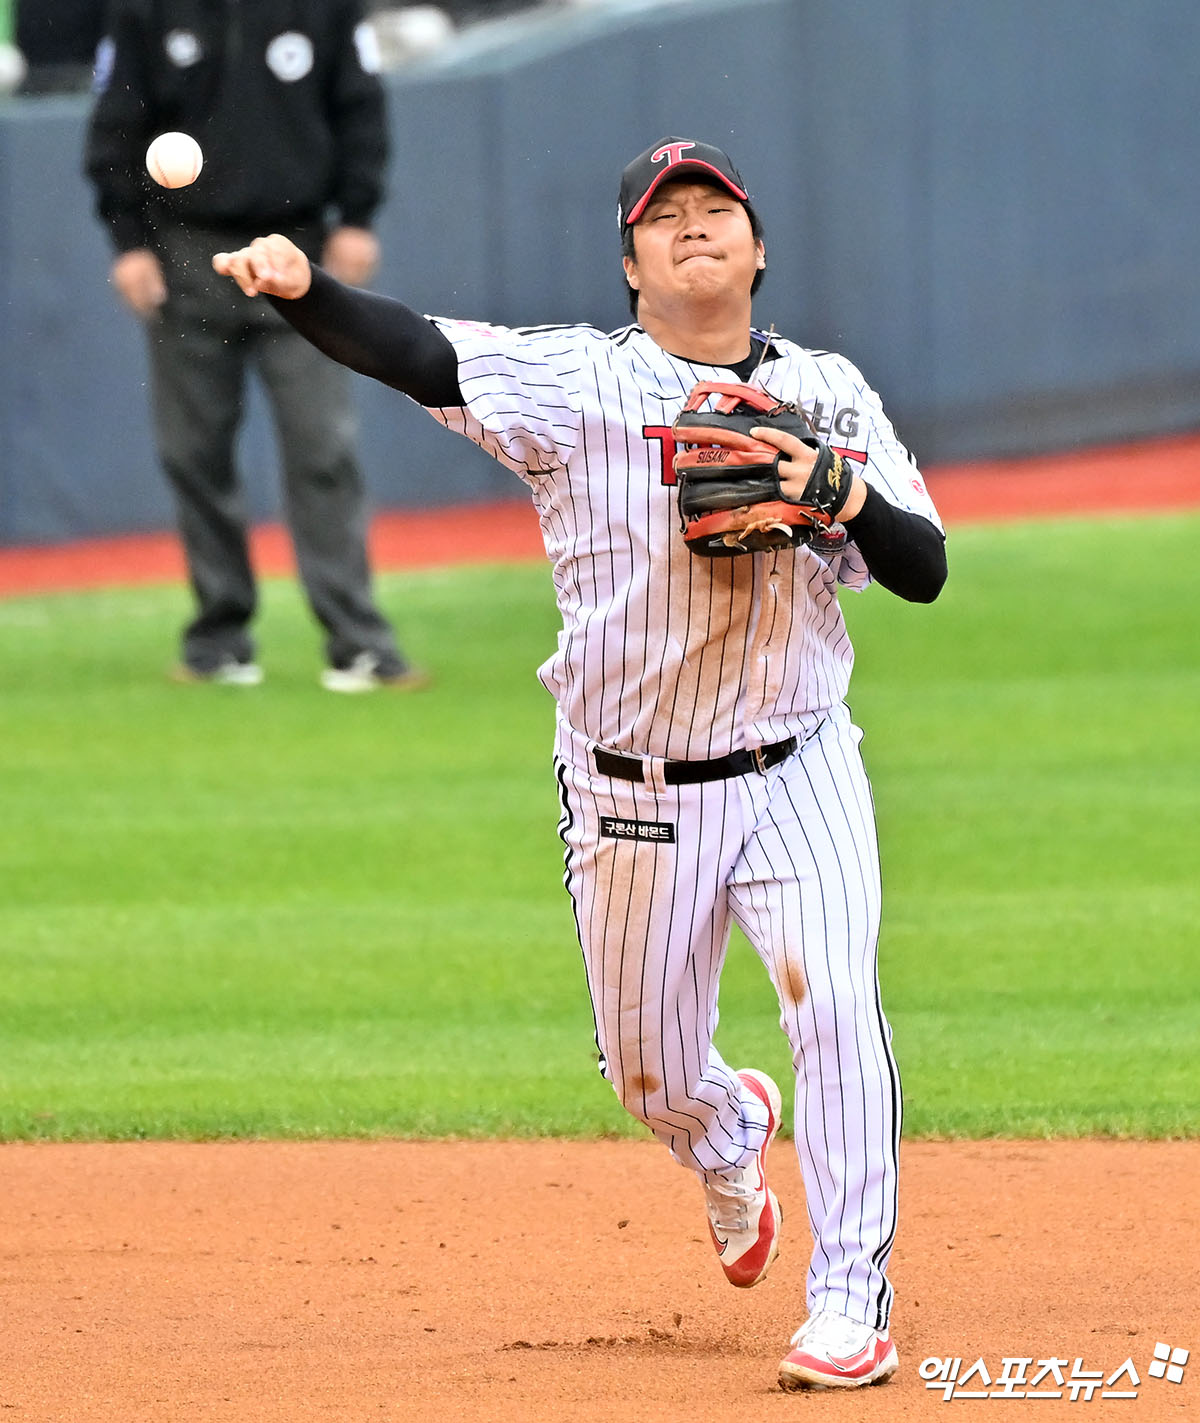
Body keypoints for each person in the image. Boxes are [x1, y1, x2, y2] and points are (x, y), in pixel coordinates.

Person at [212, 136, 948, 1390]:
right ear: (632, 263)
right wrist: (300, 289)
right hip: (630, 782)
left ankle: (848, 1296)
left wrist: (836, 494)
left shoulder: (828, 389)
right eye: (668, 216)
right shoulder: (576, 384)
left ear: (760, 249)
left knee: (834, 998)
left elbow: (922, 567)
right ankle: (726, 1133)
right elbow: (418, 352)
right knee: (650, 1069)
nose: (698, 225)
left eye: (720, 208)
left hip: (800, 761)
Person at [83, 0, 422, 691]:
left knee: (322, 447)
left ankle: (356, 640)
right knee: (193, 452)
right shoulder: (145, 9)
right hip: (183, 252)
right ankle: (219, 638)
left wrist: (357, 217)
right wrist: (127, 244)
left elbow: (360, 107)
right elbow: (115, 124)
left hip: (295, 253)